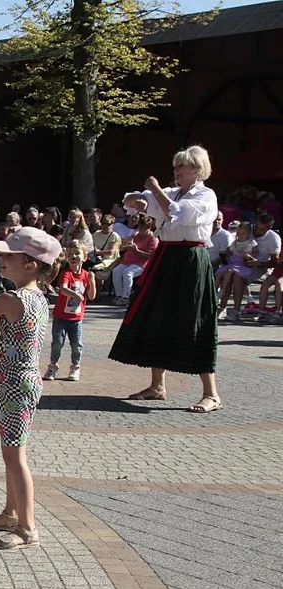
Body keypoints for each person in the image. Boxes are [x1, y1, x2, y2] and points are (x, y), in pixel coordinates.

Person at [0, 227, 61, 550]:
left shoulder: (9, 298)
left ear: (30, 264)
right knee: (11, 452)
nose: (1, 261)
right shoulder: (39, 298)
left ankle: (27, 527)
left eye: (8, 256)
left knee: (14, 455)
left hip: (14, 383)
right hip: (24, 381)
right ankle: (10, 512)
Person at [111, 145, 222, 414]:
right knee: (157, 315)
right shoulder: (172, 193)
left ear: (197, 169)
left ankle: (211, 394)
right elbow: (132, 200)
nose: (176, 172)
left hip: (191, 260)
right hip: (167, 257)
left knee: (193, 320)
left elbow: (179, 214)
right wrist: (141, 198)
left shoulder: (206, 196)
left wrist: (156, 191)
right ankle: (157, 386)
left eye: (181, 167)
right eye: (175, 167)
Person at [44, 243, 95, 382]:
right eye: (70, 254)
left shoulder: (85, 275)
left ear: (84, 257)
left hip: (76, 318)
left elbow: (91, 296)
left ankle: (75, 367)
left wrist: (92, 281)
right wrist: (75, 295)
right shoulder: (66, 273)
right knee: (57, 343)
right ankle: (53, 366)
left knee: (77, 345)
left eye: (77, 253)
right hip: (61, 316)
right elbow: (63, 289)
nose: (74, 257)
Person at [110, 215, 158, 305]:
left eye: (143, 228)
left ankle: (126, 297)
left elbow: (151, 256)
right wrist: (126, 246)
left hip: (142, 263)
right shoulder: (135, 235)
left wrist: (137, 251)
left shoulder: (153, 238)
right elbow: (122, 247)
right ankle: (119, 295)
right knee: (116, 271)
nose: (141, 231)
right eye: (140, 228)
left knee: (127, 272)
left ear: (149, 228)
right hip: (128, 261)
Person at [215, 221, 254, 319]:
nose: (240, 236)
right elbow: (229, 251)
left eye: (243, 234)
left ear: (248, 234)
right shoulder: (235, 243)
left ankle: (222, 292)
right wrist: (227, 253)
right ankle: (215, 293)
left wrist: (249, 256)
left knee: (232, 274)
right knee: (219, 274)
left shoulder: (251, 243)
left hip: (241, 265)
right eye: (238, 234)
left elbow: (255, 253)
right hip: (232, 263)